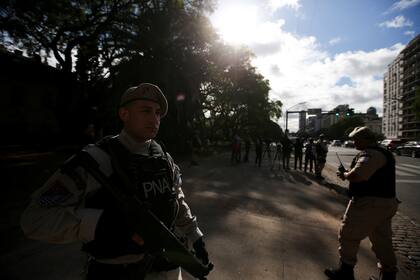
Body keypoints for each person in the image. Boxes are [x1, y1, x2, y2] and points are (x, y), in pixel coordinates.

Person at [20, 83, 211, 280]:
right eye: (145, 110)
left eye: (157, 113)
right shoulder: (94, 161)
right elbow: (35, 219)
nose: (154, 118)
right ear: (124, 114)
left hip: (166, 267)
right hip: (115, 271)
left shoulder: (164, 159)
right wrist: (102, 225)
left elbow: (176, 199)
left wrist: (195, 235)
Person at [325, 126, 399, 280]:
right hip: (386, 203)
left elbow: (358, 175)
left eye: (356, 139)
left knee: (348, 235)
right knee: (381, 240)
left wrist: (344, 174)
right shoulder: (383, 153)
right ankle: (389, 274)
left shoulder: (370, 154)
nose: (354, 141)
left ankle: (345, 272)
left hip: (368, 204)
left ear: (366, 139)